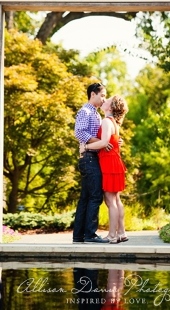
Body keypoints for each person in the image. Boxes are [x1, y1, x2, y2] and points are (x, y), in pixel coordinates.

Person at [80, 96, 129, 244]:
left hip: (109, 164)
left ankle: (112, 235)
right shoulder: (114, 122)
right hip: (115, 162)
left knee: (110, 201)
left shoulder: (107, 121)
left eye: (107, 100)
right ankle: (121, 232)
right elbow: (113, 142)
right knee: (116, 200)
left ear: (111, 107)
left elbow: (104, 142)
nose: (104, 100)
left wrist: (86, 147)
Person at [72, 82, 111, 244]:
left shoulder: (95, 113)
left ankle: (78, 235)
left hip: (91, 157)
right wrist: (101, 142)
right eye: (102, 95)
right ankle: (90, 234)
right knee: (95, 196)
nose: (104, 99)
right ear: (92, 94)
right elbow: (79, 132)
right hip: (89, 158)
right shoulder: (86, 111)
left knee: (86, 198)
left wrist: (109, 141)